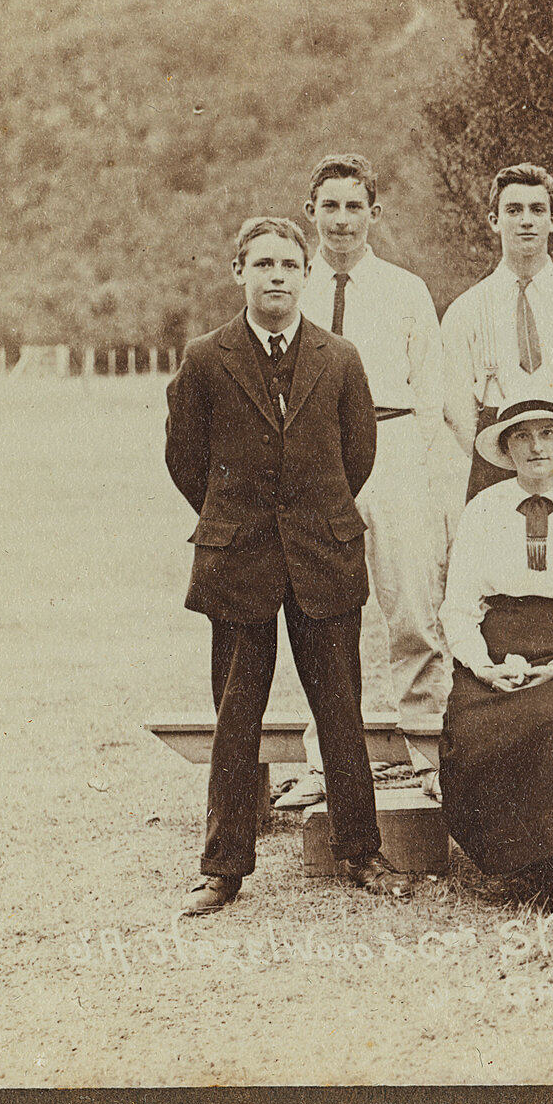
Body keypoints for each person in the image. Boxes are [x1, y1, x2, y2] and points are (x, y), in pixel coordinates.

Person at [164, 216, 401, 915]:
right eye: (261, 262)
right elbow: (185, 457)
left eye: (288, 264)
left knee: (340, 709)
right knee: (236, 714)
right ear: (238, 270)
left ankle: (360, 850)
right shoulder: (206, 356)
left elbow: (357, 455)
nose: (275, 275)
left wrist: (309, 517)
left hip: (323, 556)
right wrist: (236, 517)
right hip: (239, 561)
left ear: (306, 275)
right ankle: (223, 865)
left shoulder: (341, 356)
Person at [275, 153, 449, 811]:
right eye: (331, 205)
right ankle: (326, 761)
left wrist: (418, 475)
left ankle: (428, 753)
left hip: (396, 444)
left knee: (411, 606)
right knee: (323, 613)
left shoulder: (405, 289)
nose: (342, 220)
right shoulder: (293, 287)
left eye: (355, 206)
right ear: (310, 211)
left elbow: (430, 392)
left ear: (374, 213)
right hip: (317, 458)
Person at [438, 398, 553, 916]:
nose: (537, 446)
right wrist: (483, 666)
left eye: (547, 434)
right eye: (523, 436)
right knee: (472, 729)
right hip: (496, 649)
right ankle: (519, 864)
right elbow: (458, 607)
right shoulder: (484, 509)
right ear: (506, 447)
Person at [442, 163, 553, 502]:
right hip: (495, 454)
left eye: (537, 209)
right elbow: (457, 408)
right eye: (513, 210)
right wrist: (493, 453)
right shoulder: (465, 310)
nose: (526, 220)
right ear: (494, 220)